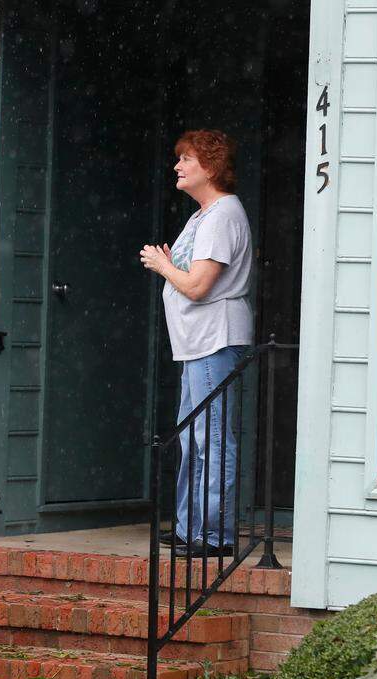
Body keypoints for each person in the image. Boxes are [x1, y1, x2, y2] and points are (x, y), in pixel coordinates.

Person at [139, 129, 253, 557]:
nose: (178, 166)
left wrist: (163, 266)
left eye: (186, 159)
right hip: (196, 344)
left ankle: (216, 535)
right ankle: (191, 528)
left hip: (214, 340)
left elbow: (200, 286)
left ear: (210, 165)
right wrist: (173, 265)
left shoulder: (223, 214)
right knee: (192, 437)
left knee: (212, 437)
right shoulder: (203, 215)